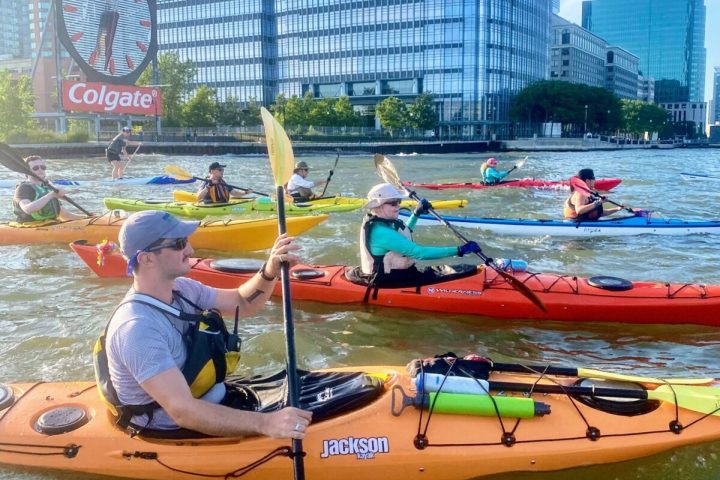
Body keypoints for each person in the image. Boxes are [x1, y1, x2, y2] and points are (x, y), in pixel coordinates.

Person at [94, 210, 311, 438]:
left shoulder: (182, 289)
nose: (190, 250)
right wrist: (266, 424)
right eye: (179, 244)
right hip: (175, 428)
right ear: (146, 258)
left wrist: (270, 271)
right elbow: (183, 411)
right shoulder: (137, 328)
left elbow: (241, 302)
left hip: (210, 397)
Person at [359, 183, 482, 286]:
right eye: (393, 203)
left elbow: (404, 232)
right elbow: (419, 253)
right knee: (458, 274)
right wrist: (459, 250)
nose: (398, 206)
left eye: (399, 201)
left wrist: (416, 214)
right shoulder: (381, 232)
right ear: (378, 206)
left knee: (463, 270)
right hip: (388, 279)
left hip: (396, 273)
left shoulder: (383, 223)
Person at [12, 155, 85, 223]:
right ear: (27, 171)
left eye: (43, 167)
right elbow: (28, 209)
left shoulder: (47, 186)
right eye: (35, 168)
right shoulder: (23, 188)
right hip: (29, 227)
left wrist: (86, 218)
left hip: (50, 224)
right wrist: (50, 195)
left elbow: (64, 214)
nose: (40, 170)